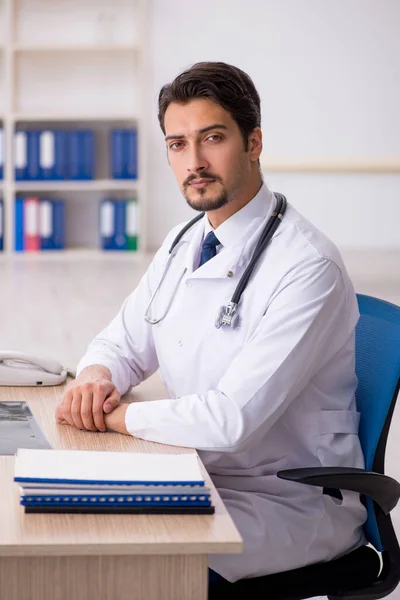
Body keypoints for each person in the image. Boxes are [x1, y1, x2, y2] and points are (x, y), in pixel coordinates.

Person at [56, 61, 367, 583]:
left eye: (212, 138)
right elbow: (122, 341)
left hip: (288, 499)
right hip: (198, 472)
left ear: (254, 143)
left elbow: (230, 420)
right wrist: (96, 378)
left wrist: (115, 417)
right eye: (177, 144)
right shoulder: (184, 240)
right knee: (72, 534)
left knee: (118, 568)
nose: (193, 162)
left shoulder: (308, 267)